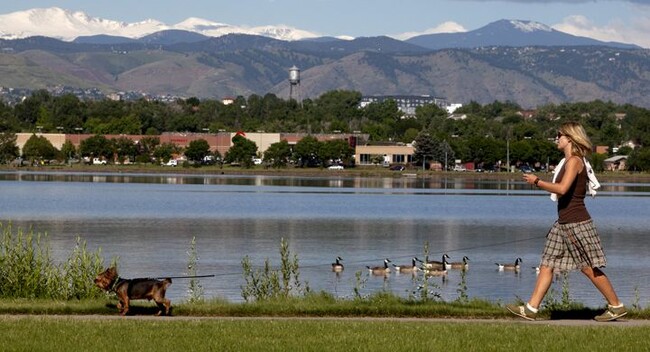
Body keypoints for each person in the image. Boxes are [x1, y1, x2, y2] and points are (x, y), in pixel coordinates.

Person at [506, 122, 627, 322]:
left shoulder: (575, 162)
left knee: (588, 268)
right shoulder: (569, 160)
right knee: (547, 264)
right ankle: (531, 309)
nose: (557, 139)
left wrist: (537, 181)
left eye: (559, 135)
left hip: (576, 223)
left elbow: (562, 189)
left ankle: (616, 306)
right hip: (563, 223)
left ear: (569, 138)